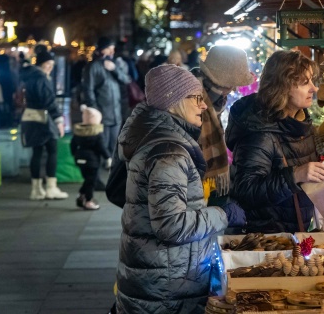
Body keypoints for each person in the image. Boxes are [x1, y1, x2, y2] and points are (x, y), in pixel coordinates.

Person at [114, 64, 233, 313]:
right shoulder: (168, 152)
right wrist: (223, 215)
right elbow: (172, 226)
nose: (203, 105)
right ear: (174, 101)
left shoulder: (161, 140)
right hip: (166, 288)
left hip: (161, 278)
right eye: (196, 98)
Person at [226, 50, 324, 233]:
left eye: (312, 81)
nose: (314, 88)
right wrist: (295, 175)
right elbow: (246, 190)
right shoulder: (260, 133)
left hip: (293, 235)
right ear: (283, 87)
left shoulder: (301, 125)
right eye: (305, 83)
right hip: (265, 243)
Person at [192, 45, 254, 202]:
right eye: (231, 84)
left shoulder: (215, 98)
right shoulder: (192, 98)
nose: (233, 89)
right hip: (193, 183)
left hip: (205, 183)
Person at [20, 50, 68, 200]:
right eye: (48, 64)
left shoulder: (29, 76)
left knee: (37, 152)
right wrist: (59, 120)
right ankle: (51, 188)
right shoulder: (42, 78)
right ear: (42, 64)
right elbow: (49, 101)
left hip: (30, 117)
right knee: (52, 149)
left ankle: (36, 190)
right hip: (44, 119)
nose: (50, 67)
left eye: (52, 65)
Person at [81, 37, 131, 171]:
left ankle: (111, 170)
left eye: (113, 49)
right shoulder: (93, 66)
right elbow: (88, 89)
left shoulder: (114, 64)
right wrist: (95, 110)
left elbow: (126, 80)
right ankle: (98, 173)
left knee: (114, 144)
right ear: (102, 50)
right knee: (100, 145)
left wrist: (114, 69)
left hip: (115, 113)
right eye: (109, 48)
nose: (112, 51)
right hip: (101, 113)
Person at [70, 105, 110, 210]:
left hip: (79, 159)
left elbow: (72, 145)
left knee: (88, 179)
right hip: (92, 162)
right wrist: (108, 158)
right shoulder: (97, 134)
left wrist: (75, 154)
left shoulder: (78, 132)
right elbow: (102, 148)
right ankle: (88, 200)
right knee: (91, 181)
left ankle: (81, 195)